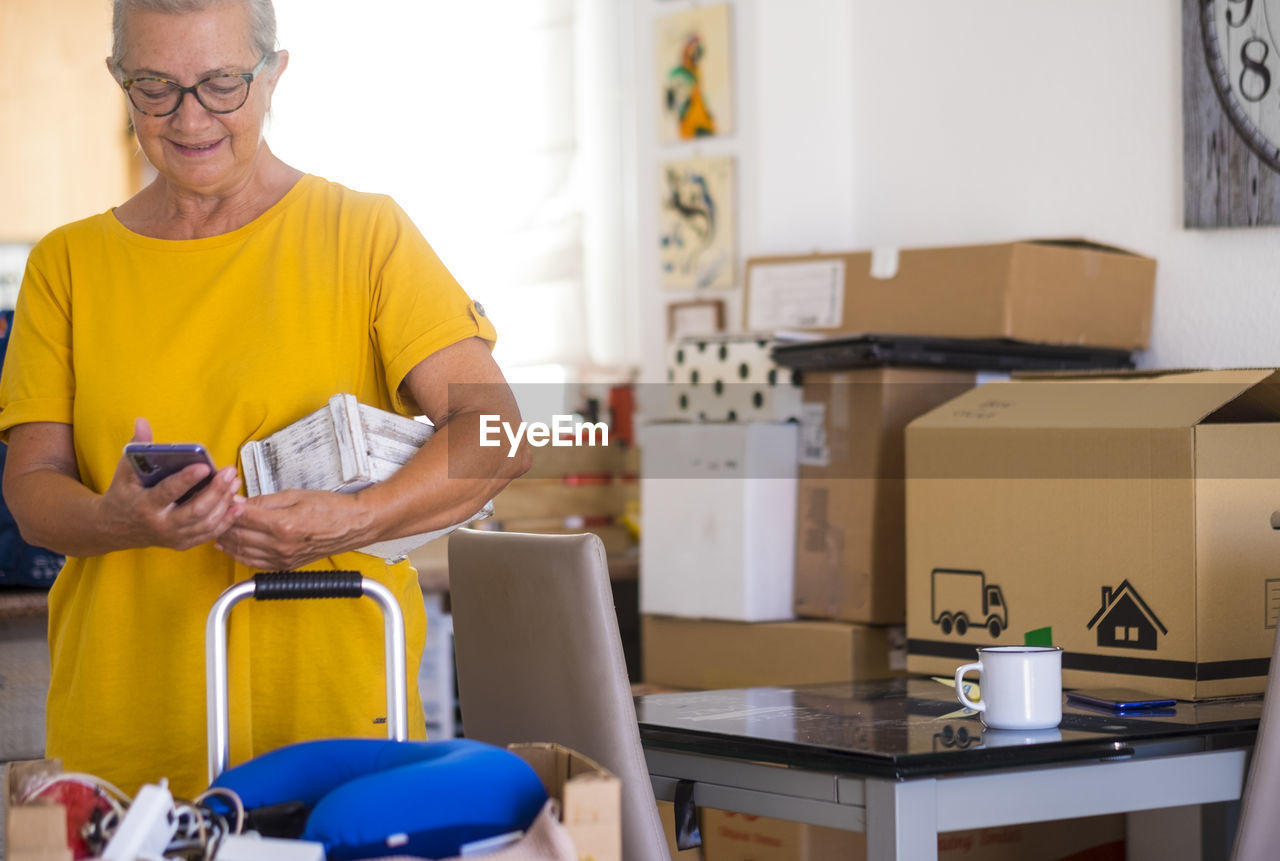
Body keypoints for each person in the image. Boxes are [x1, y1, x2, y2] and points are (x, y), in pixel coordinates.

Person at [0, 0, 528, 800]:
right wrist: (119, 519)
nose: (190, 118)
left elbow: (496, 433)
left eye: (220, 84)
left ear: (275, 73)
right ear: (118, 80)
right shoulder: (65, 266)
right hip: (125, 747)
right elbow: (32, 493)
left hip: (337, 739)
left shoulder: (365, 235)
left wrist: (358, 518)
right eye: (155, 87)